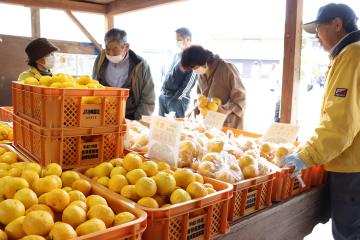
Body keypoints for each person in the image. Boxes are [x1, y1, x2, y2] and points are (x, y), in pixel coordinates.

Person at [282, 3, 360, 239]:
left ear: (338, 24)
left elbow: (340, 122)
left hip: (352, 166)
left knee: (349, 233)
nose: (316, 36)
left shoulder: (351, 55)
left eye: (318, 28)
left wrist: (307, 156)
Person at [92, 28, 155, 120]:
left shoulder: (140, 65)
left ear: (126, 46)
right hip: (103, 114)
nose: (111, 54)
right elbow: (94, 85)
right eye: (108, 49)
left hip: (130, 116)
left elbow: (148, 97)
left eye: (115, 49)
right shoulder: (100, 60)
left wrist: (138, 121)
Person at [181, 45, 246, 129]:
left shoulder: (226, 68)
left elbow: (241, 97)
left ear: (204, 61)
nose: (194, 71)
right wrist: (196, 110)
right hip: (211, 122)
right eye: (192, 69)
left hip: (229, 122)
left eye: (195, 67)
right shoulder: (201, 74)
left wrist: (226, 111)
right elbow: (201, 97)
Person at [159, 27, 196, 118]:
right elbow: (169, 74)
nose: (177, 42)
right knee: (160, 126)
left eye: (179, 40)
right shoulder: (177, 54)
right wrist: (162, 92)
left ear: (188, 39)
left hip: (177, 99)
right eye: (176, 40)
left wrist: (176, 98)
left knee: (175, 127)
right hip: (165, 95)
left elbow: (190, 81)